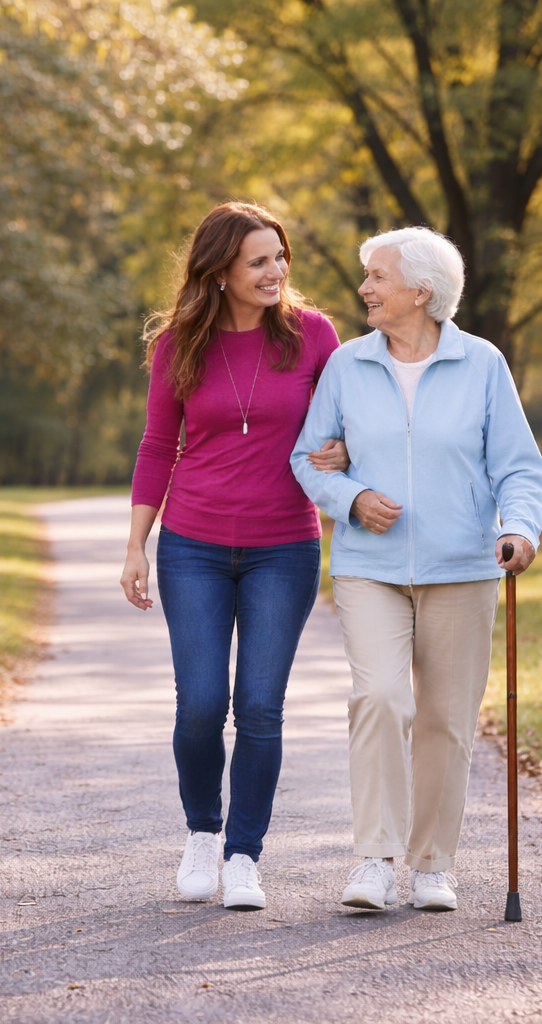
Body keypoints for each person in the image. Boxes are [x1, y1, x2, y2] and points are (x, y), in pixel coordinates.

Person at [289, 226, 542, 912]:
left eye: (376, 276)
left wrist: (520, 529)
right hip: (368, 566)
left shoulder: (483, 363)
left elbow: (519, 467)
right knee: (381, 697)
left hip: (462, 566)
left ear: (421, 292)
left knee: (446, 717)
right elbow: (305, 458)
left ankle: (432, 863)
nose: (364, 288)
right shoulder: (347, 365)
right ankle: (374, 858)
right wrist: (350, 498)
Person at [121, 201, 347, 912]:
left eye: (280, 257)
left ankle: (244, 854)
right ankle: (200, 832)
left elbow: (351, 424)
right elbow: (158, 444)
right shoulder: (180, 344)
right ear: (219, 271)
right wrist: (137, 545)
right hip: (194, 545)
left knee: (259, 706)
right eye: (259, 261)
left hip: (285, 544)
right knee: (199, 705)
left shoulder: (314, 337)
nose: (276, 271)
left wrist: (345, 451)